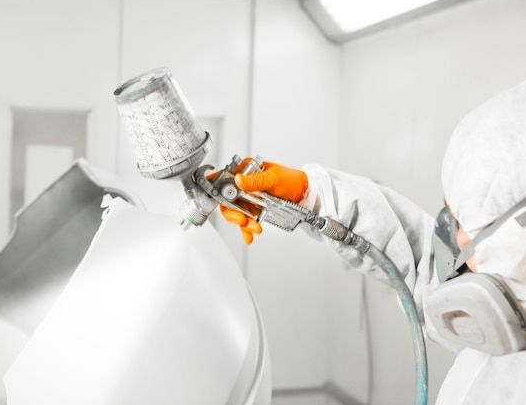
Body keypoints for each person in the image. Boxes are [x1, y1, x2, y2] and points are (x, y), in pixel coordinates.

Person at [219, 81, 526, 405]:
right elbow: (423, 270)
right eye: (451, 215)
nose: (456, 243)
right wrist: (312, 197)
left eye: (467, 226)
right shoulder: (511, 305)